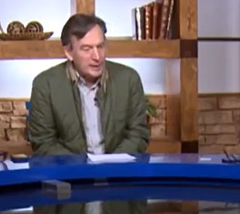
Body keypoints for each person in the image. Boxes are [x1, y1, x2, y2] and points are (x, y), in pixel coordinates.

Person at [27, 14, 150, 155]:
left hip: (118, 167)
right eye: (87, 49)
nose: (97, 57)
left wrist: (112, 163)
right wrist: (81, 165)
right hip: (69, 169)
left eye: (100, 46)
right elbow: (44, 143)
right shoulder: (45, 85)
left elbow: (138, 134)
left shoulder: (128, 79)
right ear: (68, 52)